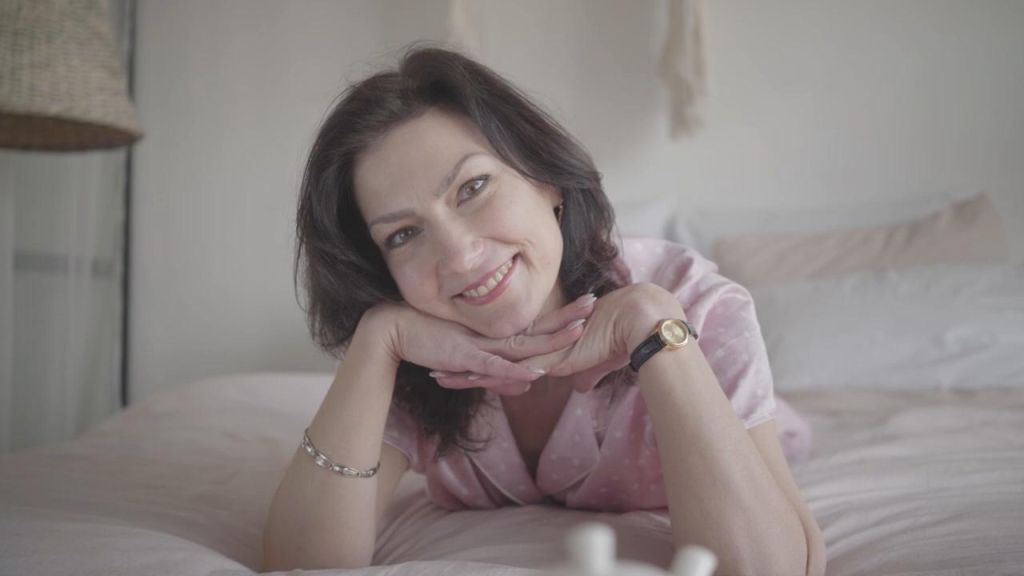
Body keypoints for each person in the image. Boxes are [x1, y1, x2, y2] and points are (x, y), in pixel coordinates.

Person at [263, 43, 825, 576]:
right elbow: (302, 564)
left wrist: (652, 326)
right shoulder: (414, 343)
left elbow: (764, 568)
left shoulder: (695, 300)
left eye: (472, 187)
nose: (459, 256)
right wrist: (377, 337)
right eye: (405, 234)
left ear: (546, 179)